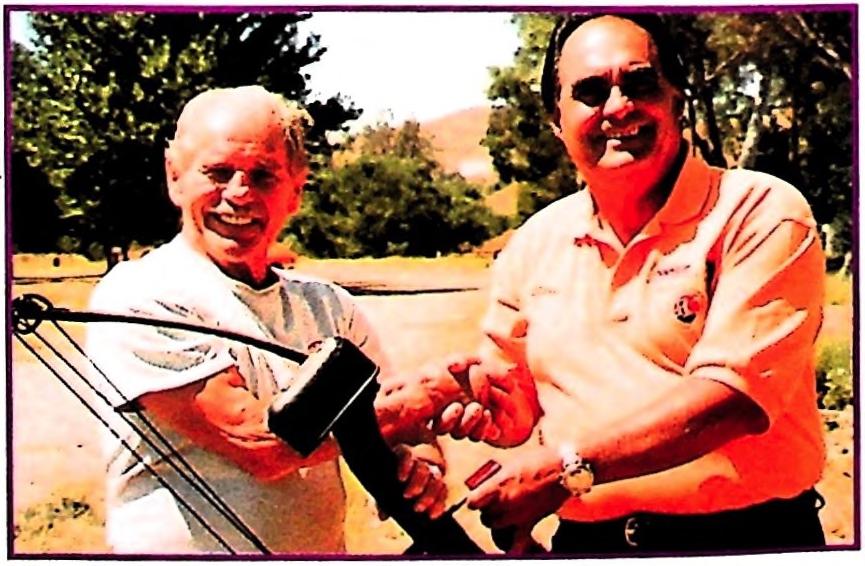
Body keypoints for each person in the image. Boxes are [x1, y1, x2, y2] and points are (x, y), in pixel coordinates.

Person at [427, 13, 827, 554]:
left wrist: (564, 468)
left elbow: (733, 399)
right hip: (587, 544)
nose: (618, 107)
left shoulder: (758, 211)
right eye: (591, 92)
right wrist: (485, 404)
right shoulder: (536, 241)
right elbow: (516, 401)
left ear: (677, 100)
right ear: (556, 120)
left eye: (640, 83)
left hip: (747, 541)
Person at [86, 86, 448, 554]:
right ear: (175, 177)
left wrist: (421, 461)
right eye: (218, 172)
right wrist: (421, 402)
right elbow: (264, 446)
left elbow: (396, 420)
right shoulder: (138, 295)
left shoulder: (329, 307)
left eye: (263, 176)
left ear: (295, 191)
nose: (239, 194)